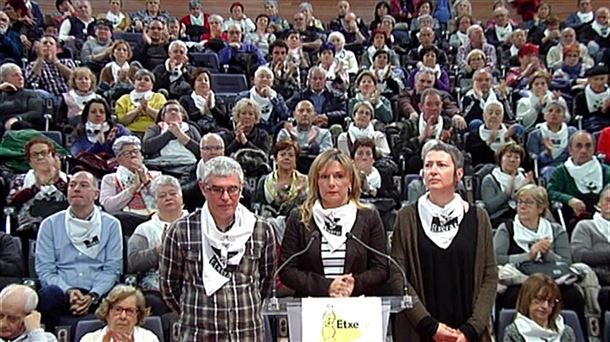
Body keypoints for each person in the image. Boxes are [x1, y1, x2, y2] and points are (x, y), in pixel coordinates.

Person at [391, 142, 498, 341]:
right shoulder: (407, 217)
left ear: (458, 174)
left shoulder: (478, 217)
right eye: (428, 165)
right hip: (421, 331)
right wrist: (428, 325)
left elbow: (489, 276)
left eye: (441, 165)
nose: (432, 170)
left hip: (466, 332)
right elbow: (398, 276)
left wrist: (471, 329)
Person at [160, 156, 275, 340]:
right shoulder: (181, 230)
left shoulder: (261, 229)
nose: (226, 197)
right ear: (203, 188)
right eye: (217, 189)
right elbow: (169, 287)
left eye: (232, 189)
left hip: (247, 335)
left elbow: (266, 282)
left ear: (241, 188)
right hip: (198, 335)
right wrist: (194, 313)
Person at [280, 149, 388, 296]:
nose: (331, 183)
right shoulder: (299, 218)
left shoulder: (368, 216)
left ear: (350, 181)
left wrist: (353, 285)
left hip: (357, 309)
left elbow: (381, 268)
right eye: (324, 177)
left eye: (339, 176)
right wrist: (327, 287)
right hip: (312, 308)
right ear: (316, 182)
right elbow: (287, 270)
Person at [35, 171, 122, 330]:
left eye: (83, 185)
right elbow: (45, 270)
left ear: (96, 194)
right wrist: (69, 291)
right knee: (48, 295)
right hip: (61, 291)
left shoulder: (111, 225)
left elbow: (112, 269)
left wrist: (93, 295)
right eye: (72, 185)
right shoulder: (50, 224)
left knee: (121, 297)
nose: (76, 189)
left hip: (98, 292)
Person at [494, 185, 586, 327]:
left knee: (573, 297)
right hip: (520, 280)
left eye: (528, 202)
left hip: (553, 280)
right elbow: (497, 258)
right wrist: (528, 256)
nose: (522, 206)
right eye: (520, 202)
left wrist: (547, 253)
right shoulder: (507, 228)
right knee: (514, 296)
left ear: (541, 208)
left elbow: (566, 263)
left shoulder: (556, 230)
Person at [128, 176, 187, 316]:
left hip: (192, 285)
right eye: (162, 195)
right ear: (155, 202)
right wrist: (159, 250)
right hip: (155, 288)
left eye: (173, 193)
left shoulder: (198, 225)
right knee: (153, 303)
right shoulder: (144, 229)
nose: (168, 198)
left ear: (182, 197)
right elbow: (132, 263)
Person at [548, 131, 610, 228]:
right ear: (570, 150)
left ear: (594, 149)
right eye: (579, 146)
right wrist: (569, 200)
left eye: (588, 146)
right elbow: (551, 192)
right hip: (574, 219)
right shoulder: (562, 171)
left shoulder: (606, 171)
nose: (584, 150)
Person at [7, 137, 68, 234]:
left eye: (44, 153)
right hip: (30, 225)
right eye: (35, 155)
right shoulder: (21, 179)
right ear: (30, 161)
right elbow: (11, 201)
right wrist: (36, 187)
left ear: (53, 156)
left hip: (63, 224)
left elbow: (76, 198)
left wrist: (56, 181)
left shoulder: (68, 179)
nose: (40, 157)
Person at [397, 88, 459, 173]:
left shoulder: (448, 124)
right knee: (413, 161)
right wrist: (421, 138)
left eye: (437, 104)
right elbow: (400, 151)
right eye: (429, 104)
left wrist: (446, 141)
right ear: (421, 107)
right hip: (418, 165)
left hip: (443, 163)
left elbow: (458, 151)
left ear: (441, 106)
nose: (434, 108)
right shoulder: (410, 124)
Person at [100, 136, 161, 219]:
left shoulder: (156, 176)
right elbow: (108, 207)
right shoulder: (110, 179)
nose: (133, 155)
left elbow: (164, 199)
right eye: (127, 153)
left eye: (136, 151)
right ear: (118, 160)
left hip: (156, 217)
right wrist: (133, 189)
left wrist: (147, 182)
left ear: (142, 156)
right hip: (127, 219)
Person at [503, 274, 577, 341]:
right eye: (540, 299)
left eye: (550, 301)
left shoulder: (566, 332)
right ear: (526, 299)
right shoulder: (514, 333)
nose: (545, 306)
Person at [572, 185, 610, 311]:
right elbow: (580, 255)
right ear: (599, 204)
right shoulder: (586, 227)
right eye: (608, 200)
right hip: (598, 281)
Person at [142, 100, 201, 179]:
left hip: (189, 165)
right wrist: (169, 133)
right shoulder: (155, 128)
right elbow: (146, 148)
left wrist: (181, 136)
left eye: (176, 110)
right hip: (161, 165)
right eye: (169, 111)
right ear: (163, 117)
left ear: (182, 115)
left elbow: (202, 151)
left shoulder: (191, 129)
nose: (173, 112)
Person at [481, 142, 534, 227]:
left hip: (525, 215)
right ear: (501, 158)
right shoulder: (490, 179)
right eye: (508, 156)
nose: (512, 160)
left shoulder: (525, 177)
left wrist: (528, 187)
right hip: (500, 218)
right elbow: (489, 208)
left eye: (516, 157)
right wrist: (507, 192)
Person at [81, 285, 158, 342]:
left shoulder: (149, 339)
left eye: (129, 311)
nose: (123, 316)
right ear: (107, 312)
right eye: (118, 310)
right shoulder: (89, 339)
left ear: (137, 316)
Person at [253, 140, 308, 217]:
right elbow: (258, 207)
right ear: (275, 159)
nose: (287, 158)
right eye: (282, 155)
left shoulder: (305, 182)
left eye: (291, 155)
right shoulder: (264, 181)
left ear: (296, 160)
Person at [526, 100, 577, 179]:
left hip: (568, 167)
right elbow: (533, 162)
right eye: (550, 111)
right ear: (544, 116)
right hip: (546, 168)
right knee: (551, 171)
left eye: (558, 111)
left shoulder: (572, 132)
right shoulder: (535, 134)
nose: (553, 114)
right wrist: (547, 153)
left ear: (564, 117)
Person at [465, 100, 523, 167]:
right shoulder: (474, 134)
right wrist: (490, 140)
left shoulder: (510, 132)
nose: (494, 116)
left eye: (497, 113)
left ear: (502, 117)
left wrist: (509, 142)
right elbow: (474, 158)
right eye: (490, 113)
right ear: (484, 116)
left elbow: (521, 157)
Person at [235, 66, 290, 133]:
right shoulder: (243, 96)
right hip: (250, 131)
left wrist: (272, 98)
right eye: (261, 76)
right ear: (254, 80)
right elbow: (236, 117)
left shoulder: (277, 97)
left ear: (272, 82)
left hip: (271, 132)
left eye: (268, 77)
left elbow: (285, 115)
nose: (265, 79)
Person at [115, 69, 167, 136]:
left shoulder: (159, 97)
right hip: (130, 132)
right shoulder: (124, 99)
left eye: (146, 80)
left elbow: (164, 117)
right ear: (134, 83)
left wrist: (148, 109)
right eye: (139, 79)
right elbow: (122, 121)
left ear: (152, 85)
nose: (142, 81)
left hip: (153, 132)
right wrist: (137, 109)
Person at [178, 68, 228, 134]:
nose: (203, 82)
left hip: (217, 131)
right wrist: (202, 112)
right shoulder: (185, 99)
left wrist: (212, 108)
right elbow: (185, 119)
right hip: (196, 131)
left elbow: (225, 121)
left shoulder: (218, 100)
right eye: (199, 80)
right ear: (194, 84)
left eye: (206, 80)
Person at [25, 35, 75, 99]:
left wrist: (56, 62)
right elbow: (31, 80)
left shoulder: (67, 62)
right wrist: (40, 58)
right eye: (45, 43)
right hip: (46, 98)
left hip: (68, 96)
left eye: (51, 43)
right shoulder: (32, 65)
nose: (48, 45)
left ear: (57, 49)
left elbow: (74, 78)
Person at [0, 62, 43, 135]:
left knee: (19, 125)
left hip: (22, 124)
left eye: (21, 75)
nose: (20, 78)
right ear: (3, 78)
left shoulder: (30, 94)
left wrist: (17, 118)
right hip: (2, 124)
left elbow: (36, 112)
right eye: (15, 75)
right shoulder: (1, 94)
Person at [572, 64, 610, 132]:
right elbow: (577, 119)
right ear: (589, 80)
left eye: (602, 79)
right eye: (596, 79)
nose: (599, 83)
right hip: (591, 126)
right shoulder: (581, 96)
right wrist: (601, 111)